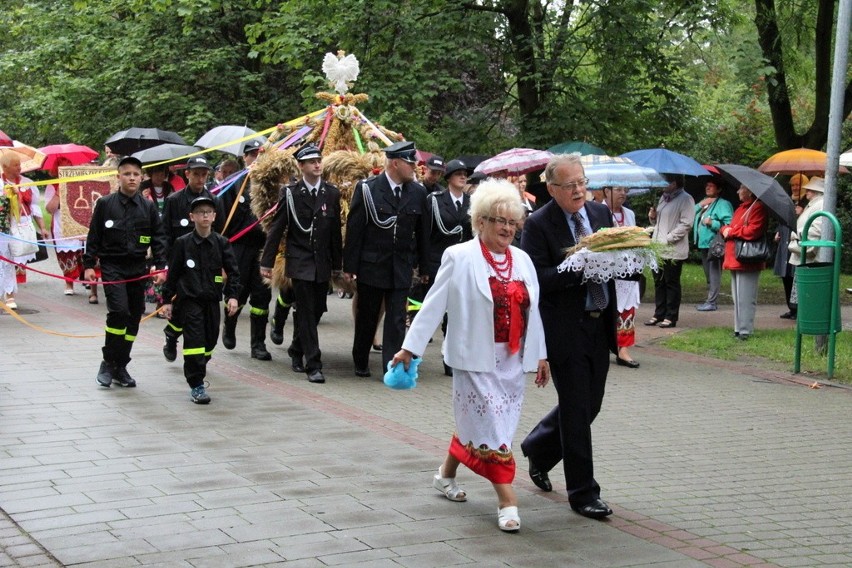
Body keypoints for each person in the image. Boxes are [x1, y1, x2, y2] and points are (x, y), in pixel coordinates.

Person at [392, 179, 549, 533]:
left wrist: (540, 355)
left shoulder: (523, 261)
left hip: (510, 360)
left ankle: (444, 476)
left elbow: (534, 313)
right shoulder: (459, 256)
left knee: (484, 427)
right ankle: (508, 501)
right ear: (480, 222)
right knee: (492, 430)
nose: (508, 228)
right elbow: (433, 304)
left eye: (513, 222)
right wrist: (410, 347)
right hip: (471, 358)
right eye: (499, 221)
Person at [519, 153, 617, 519]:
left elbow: (615, 258)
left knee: (590, 405)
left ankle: (538, 447)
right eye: (570, 185)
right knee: (576, 410)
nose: (579, 190)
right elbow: (537, 279)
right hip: (564, 329)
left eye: (582, 182)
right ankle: (583, 493)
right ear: (551, 188)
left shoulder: (600, 214)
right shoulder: (539, 225)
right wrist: (577, 268)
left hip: (599, 321)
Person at [343, 141, 430, 377]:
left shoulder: (418, 192)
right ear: (395, 163)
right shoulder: (368, 189)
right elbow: (355, 229)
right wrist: (350, 266)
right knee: (367, 317)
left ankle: (391, 368)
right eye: (410, 164)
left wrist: (424, 266)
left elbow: (423, 232)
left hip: (400, 265)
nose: (415, 168)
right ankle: (360, 360)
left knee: (397, 318)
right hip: (372, 265)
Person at [260, 143, 343, 383]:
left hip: (322, 262)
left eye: (319, 160)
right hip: (300, 261)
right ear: (301, 166)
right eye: (311, 161)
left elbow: (335, 233)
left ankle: (296, 349)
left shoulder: (331, 193)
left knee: (317, 310)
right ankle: (313, 365)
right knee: (306, 312)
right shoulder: (291, 193)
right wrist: (267, 261)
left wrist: (338, 265)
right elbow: (277, 228)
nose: (317, 164)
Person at [83, 156, 167, 388]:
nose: (131, 178)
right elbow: (94, 236)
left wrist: (160, 267)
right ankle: (108, 362)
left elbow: (159, 238)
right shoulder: (106, 204)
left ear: (142, 178)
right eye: (127, 173)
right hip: (112, 266)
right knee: (119, 311)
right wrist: (89, 264)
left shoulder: (148, 207)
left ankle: (121, 365)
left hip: (137, 268)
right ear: (118, 177)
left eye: (136, 174)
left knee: (134, 315)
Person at [161, 196, 240, 404]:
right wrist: (166, 300)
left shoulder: (221, 244)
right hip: (190, 302)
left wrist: (232, 295)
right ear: (192, 217)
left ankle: (199, 364)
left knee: (210, 342)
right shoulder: (182, 243)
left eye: (208, 212)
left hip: (212, 301)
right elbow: (173, 274)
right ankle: (196, 384)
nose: (204, 215)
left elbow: (233, 272)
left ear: (214, 216)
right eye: (200, 212)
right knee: (194, 342)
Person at [214, 142, 273, 362]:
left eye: (260, 154)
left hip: (262, 248)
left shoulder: (271, 182)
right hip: (237, 246)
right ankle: (229, 325)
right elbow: (221, 218)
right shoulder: (235, 183)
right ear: (244, 158)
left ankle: (258, 344)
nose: (256, 158)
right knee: (236, 291)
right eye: (252, 155)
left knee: (262, 296)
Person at [419, 158, 473, 375]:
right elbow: (425, 234)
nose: (463, 176)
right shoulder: (434, 200)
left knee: (456, 312)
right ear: (448, 177)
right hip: (438, 262)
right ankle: (414, 350)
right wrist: (423, 266)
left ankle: (450, 357)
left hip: (463, 264)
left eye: (465, 173)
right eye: (458, 173)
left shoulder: (472, 202)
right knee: (432, 309)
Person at [161, 156, 216, 362]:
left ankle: (172, 332)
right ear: (187, 174)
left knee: (196, 309)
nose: (200, 178)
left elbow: (218, 235)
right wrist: (163, 263)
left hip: (205, 265)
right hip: (181, 264)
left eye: (204, 174)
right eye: (196, 174)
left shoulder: (213, 200)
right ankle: (174, 335)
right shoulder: (174, 201)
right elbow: (165, 233)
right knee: (185, 304)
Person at [645, 174, 695, 328]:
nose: (662, 184)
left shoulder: (686, 199)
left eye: (665, 181)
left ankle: (671, 316)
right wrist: (653, 217)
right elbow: (660, 222)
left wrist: (668, 238)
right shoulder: (663, 197)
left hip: (672, 249)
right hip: (658, 248)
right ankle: (659, 313)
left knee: (671, 282)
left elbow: (686, 224)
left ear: (674, 183)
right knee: (659, 282)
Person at [720, 184, 769, 341]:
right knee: (737, 296)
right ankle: (738, 328)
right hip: (736, 256)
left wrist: (731, 232)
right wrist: (724, 229)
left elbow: (753, 231)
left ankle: (745, 330)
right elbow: (734, 227)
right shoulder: (742, 208)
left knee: (746, 297)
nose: (738, 191)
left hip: (748, 259)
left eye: (741, 189)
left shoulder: (758, 207)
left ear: (749, 191)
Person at [0, 152, 47, 310]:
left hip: (22, 226)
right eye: (15, 165)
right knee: (4, 260)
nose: (19, 168)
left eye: (19, 164)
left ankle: (9, 293)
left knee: (12, 260)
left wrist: (42, 227)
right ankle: (8, 294)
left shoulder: (27, 183)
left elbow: (34, 208)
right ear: (5, 167)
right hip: (3, 227)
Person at [603, 186, 641, 368]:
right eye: (618, 189)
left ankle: (623, 349)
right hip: (608, 268)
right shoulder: (597, 211)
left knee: (627, 309)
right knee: (607, 307)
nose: (623, 193)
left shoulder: (630, 214)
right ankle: (603, 345)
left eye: (625, 190)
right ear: (606, 191)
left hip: (628, 267)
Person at [44, 158, 90, 298]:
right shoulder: (52, 185)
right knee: (67, 253)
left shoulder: (81, 182)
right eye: (62, 168)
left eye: (69, 167)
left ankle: (88, 279)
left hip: (81, 222)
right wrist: (60, 191)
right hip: (62, 224)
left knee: (86, 251)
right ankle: (69, 282)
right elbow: (50, 209)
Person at [788, 177, 826, 338]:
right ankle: (804, 319)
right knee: (802, 289)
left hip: (810, 254)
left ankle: (810, 321)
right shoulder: (813, 204)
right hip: (804, 252)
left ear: (817, 191)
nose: (807, 192)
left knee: (808, 290)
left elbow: (816, 229)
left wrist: (797, 234)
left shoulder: (821, 204)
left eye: (810, 189)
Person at [693, 179, 733, 312]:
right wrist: (700, 205)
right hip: (703, 244)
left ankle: (712, 302)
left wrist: (713, 223)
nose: (708, 187)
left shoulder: (723, 204)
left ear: (719, 189)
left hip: (715, 244)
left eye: (711, 185)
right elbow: (690, 213)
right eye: (707, 185)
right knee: (708, 274)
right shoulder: (704, 203)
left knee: (714, 273)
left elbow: (729, 224)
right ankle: (710, 300)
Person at [774, 174, 807, 320]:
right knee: (786, 275)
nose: (795, 188)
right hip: (784, 241)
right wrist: (778, 231)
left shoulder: (807, 203)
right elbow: (782, 219)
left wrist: (802, 212)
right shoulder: (787, 200)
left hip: (796, 242)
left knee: (795, 276)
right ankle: (791, 308)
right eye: (793, 185)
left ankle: (799, 308)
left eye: (798, 185)